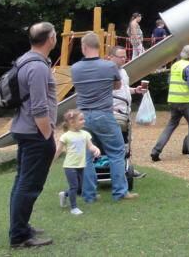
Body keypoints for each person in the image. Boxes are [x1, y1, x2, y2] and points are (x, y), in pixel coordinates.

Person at [9, 22, 59, 248]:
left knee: (22, 182)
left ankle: (20, 227)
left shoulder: (24, 60)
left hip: (23, 128)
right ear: (50, 39)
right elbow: (39, 108)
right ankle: (20, 236)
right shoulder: (38, 67)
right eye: (55, 34)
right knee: (29, 185)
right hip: (35, 133)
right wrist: (48, 135)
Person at [71, 32, 137, 202]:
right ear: (99, 47)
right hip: (104, 114)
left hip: (82, 117)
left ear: (83, 47)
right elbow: (116, 86)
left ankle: (89, 195)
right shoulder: (109, 67)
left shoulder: (75, 68)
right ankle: (120, 193)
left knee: (86, 156)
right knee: (116, 152)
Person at [151, 44, 189, 160]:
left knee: (170, 126)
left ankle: (156, 150)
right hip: (185, 101)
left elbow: (169, 81)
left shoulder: (175, 65)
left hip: (173, 100)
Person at [108, 45, 146, 179]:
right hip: (114, 112)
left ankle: (126, 166)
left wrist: (135, 90)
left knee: (127, 141)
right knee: (118, 141)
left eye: (125, 56)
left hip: (125, 111)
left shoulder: (123, 71)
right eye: (121, 57)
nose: (124, 59)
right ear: (111, 57)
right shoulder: (107, 72)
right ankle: (117, 169)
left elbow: (123, 89)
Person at [55, 110, 101, 215]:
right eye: (81, 119)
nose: (83, 121)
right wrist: (51, 162)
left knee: (79, 187)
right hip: (69, 166)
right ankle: (74, 208)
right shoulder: (65, 136)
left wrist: (95, 149)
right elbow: (58, 150)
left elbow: (90, 146)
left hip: (81, 165)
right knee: (74, 186)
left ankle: (64, 194)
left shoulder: (85, 134)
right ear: (72, 122)